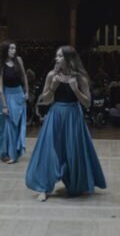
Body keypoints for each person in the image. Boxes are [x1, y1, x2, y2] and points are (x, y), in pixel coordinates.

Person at [25, 45, 106, 201]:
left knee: (73, 152)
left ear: (69, 59)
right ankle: (44, 187)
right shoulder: (51, 75)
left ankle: (75, 184)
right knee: (49, 151)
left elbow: (88, 103)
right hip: (55, 115)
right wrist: (53, 88)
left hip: (73, 116)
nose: (56, 59)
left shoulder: (80, 78)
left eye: (60, 56)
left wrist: (76, 90)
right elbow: (45, 100)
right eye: (56, 56)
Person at [0, 41, 29, 164]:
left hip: (19, 94)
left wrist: (26, 91)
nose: (14, 50)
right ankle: (7, 153)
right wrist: (4, 106)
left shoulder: (19, 60)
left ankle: (15, 151)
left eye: (14, 48)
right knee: (8, 126)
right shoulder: (1, 65)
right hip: (7, 95)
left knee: (18, 125)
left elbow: (24, 76)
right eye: (11, 48)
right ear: (5, 50)